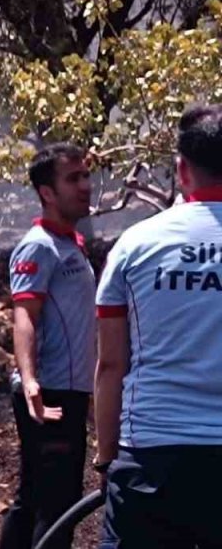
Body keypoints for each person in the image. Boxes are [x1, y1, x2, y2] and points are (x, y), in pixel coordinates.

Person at [95, 105, 222, 548]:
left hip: (153, 459)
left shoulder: (136, 245)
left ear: (182, 169)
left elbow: (111, 364)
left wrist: (106, 460)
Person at [0, 143, 96, 549]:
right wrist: (31, 380)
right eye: (73, 179)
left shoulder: (69, 243)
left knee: (37, 497)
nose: (86, 186)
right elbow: (24, 316)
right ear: (47, 193)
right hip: (50, 391)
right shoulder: (38, 246)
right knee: (56, 506)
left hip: (67, 389)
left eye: (86, 175)